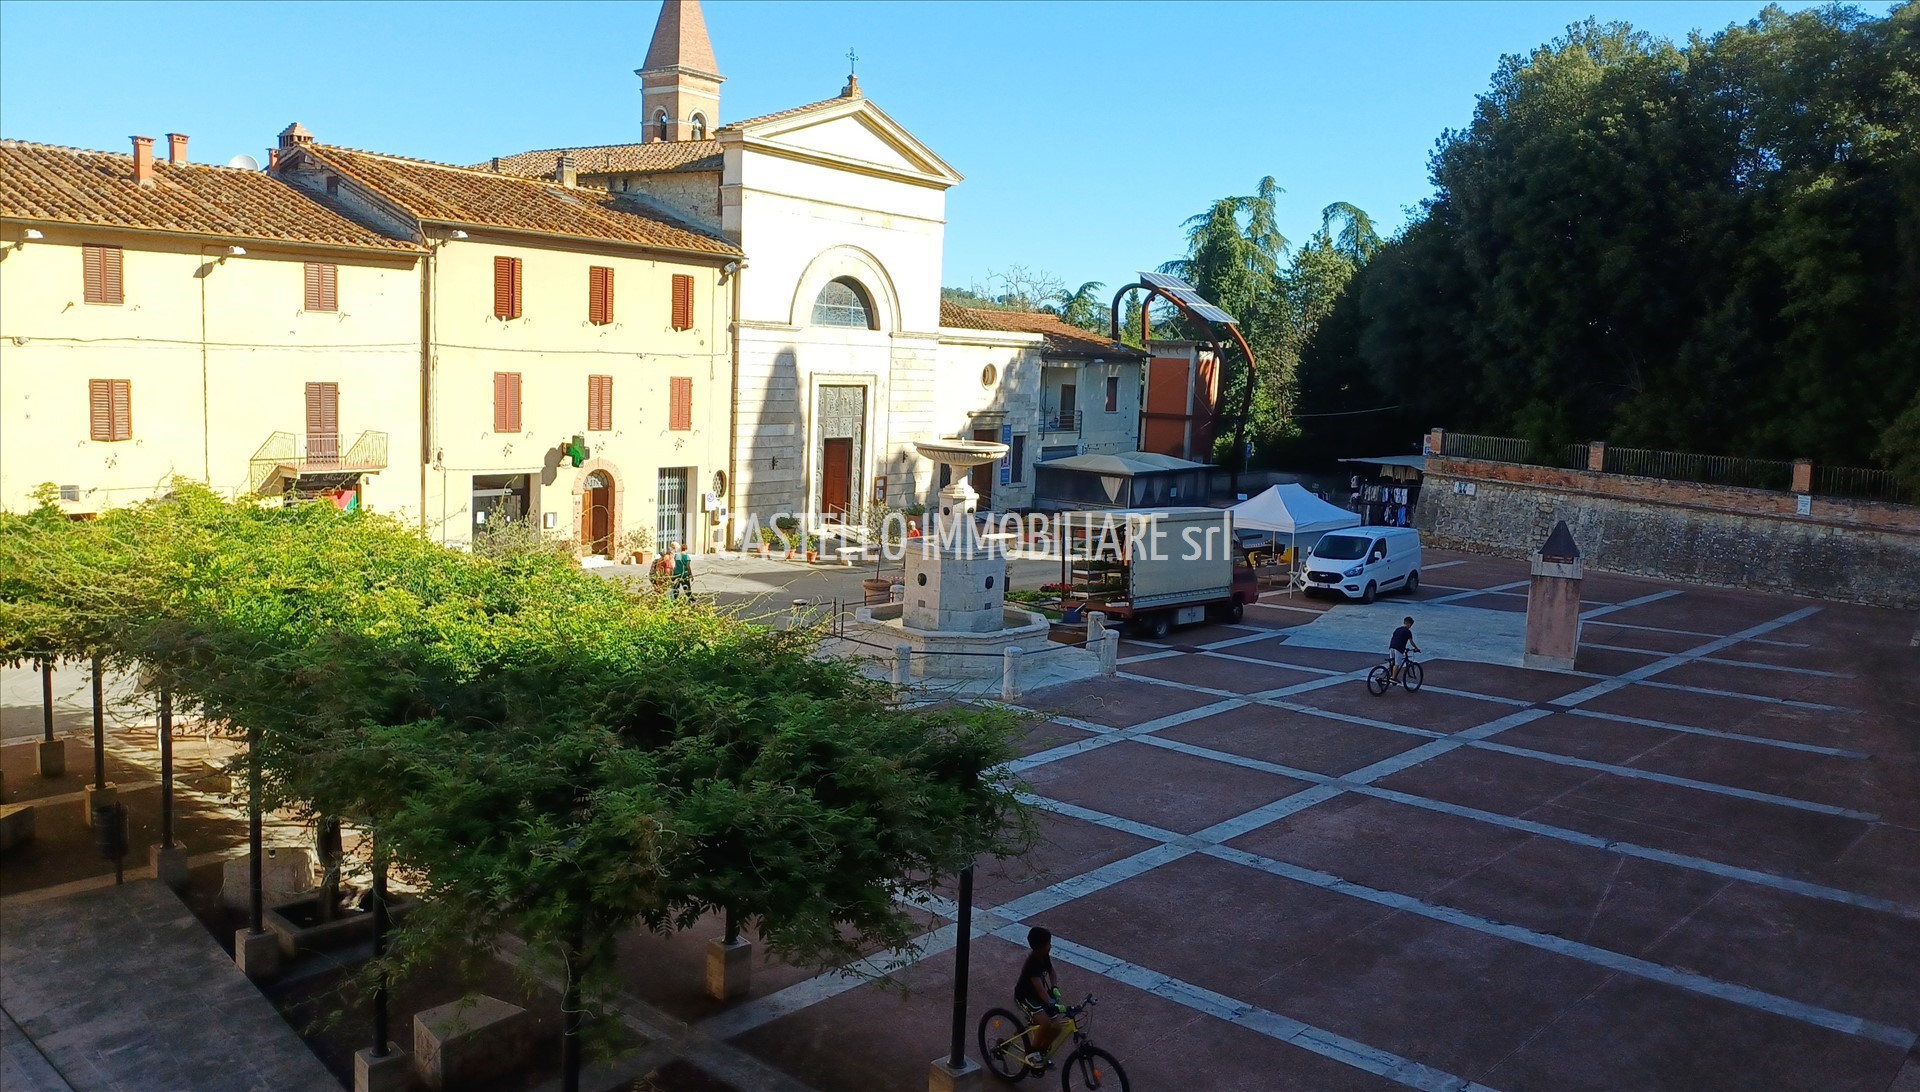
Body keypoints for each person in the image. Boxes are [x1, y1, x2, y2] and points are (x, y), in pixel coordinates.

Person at [1014, 926, 1065, 1069]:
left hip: (1039, 995)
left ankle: (1041, 1052)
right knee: (1045, 1023)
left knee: (1058, 1026)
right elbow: (1040, 989)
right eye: (1048, 943)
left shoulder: (1044, 955)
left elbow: (1051, 971)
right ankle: (1031, 1053)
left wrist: (1054, 987)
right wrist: (1052, 1003)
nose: (1050, 946)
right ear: (1039, 947)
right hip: (1026, 997)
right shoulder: (1032, 964)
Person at [1389, 616, 1420, 682]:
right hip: (1399, 648)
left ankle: (1388, 675)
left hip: (1391, 646)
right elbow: (1411, 641)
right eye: (1411, 625)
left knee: (1392, 662)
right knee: (1397, 664)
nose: (1411, 626)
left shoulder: (1397, 629)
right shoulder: (1408, 631)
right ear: (1409, 624)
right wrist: (1416, 648)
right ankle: (1393, 678)